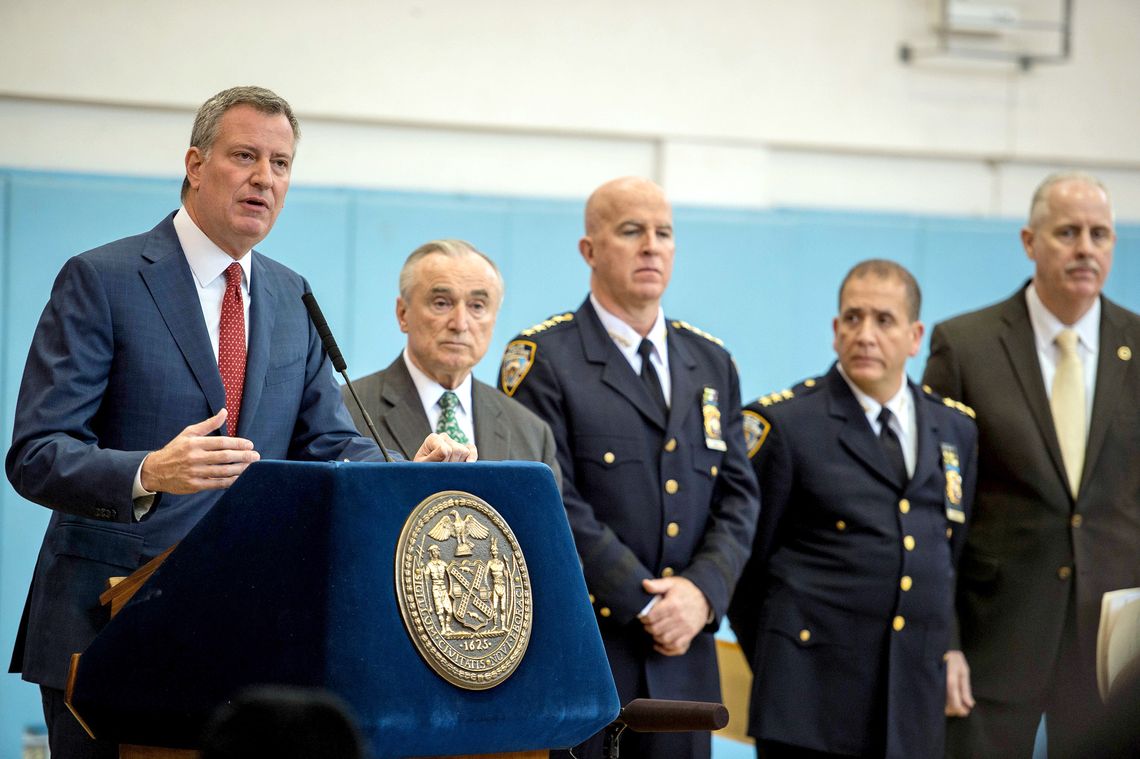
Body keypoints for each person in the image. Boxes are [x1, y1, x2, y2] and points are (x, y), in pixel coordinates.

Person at [5, 86, 472, 759]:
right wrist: (147, 471)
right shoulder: (102, 279)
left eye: (281, 163)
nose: (265, 178)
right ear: (195, 164)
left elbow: (329, 443)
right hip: (110, 625)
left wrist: (404, 476)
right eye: (245, 156)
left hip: (247, 628)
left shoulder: (289, 293)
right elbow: (36, 451)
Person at [499, 176, 759, 759]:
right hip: (594, 649)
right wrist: (645, 602)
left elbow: (739, 496)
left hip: (687, 654)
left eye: (663, 233)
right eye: (631, 231)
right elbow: (549, 500)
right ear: (589, 250)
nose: (651, 246)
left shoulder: (712, 363)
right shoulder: (545, 360)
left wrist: (701, 593)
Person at [923, 171, 1140, 758]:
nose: (1085, 249)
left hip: (1112, 653)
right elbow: (931, 515)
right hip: (995, 639)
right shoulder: (964, 346)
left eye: (1100, 234)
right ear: (1029, 241)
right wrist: (944, 642)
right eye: (1067, 232)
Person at [727, 260, 977, 758]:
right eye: (852, 318)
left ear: (914, 335)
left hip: (911, 701)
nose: (865, 334)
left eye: (884, 320)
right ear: (835, 330)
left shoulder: (955, 430)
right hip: (809, 703)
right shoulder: (785, 424)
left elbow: (947, 556)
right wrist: (784, 662)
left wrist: (946, 645)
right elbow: (746, 571)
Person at [343, 239, 558, 477]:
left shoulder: (532, 433)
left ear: (494, 319)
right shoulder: (345, 412)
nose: (460, 324)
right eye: (441, 303)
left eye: (477, 306)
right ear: (403, 313)